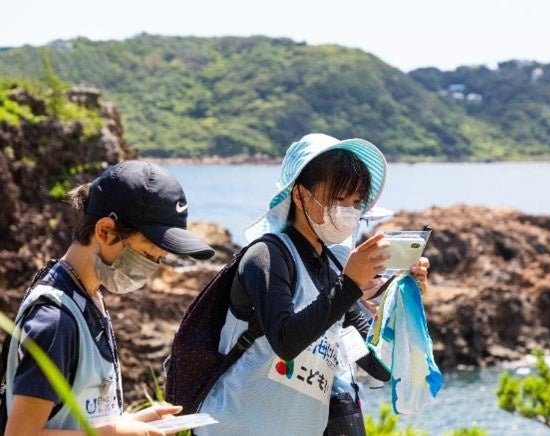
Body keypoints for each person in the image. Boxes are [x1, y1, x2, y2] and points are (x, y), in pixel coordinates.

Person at [195, 133, 430, 435]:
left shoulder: (332, 273)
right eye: (339, 198)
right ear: (300, 195)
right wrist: (350, 283)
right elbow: (286, 341)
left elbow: (378, 366)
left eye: (356, 202)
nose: (349, 210)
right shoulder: (267, 256)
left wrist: (403, 299)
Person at [2, 161, 215, 435]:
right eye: (147, 254)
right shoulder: (55, 321)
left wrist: (129, 423)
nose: (152, 267)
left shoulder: (88, 297)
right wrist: (114, 433)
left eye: (160, 259)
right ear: (104, 231)